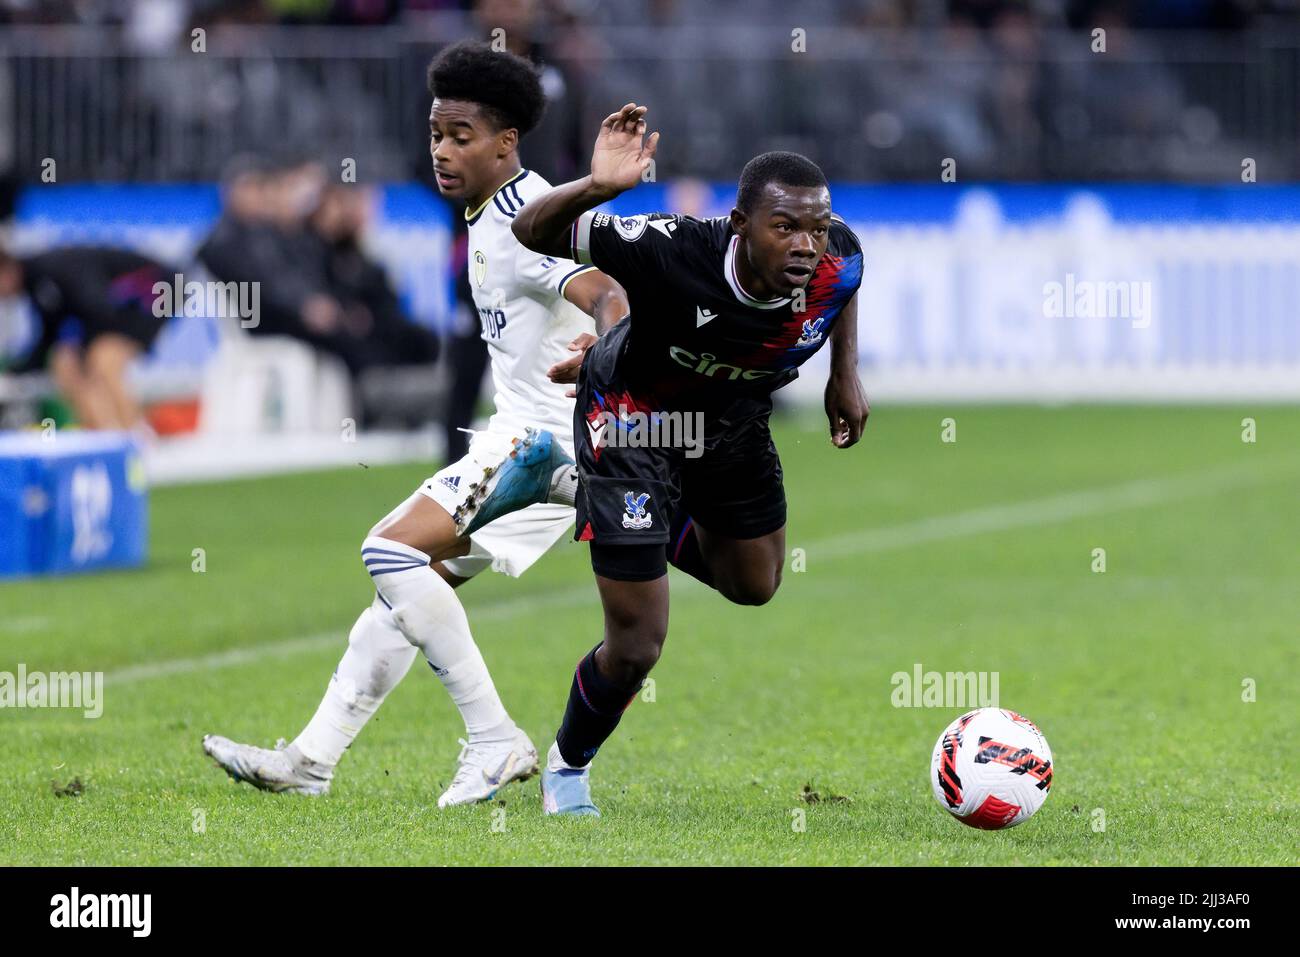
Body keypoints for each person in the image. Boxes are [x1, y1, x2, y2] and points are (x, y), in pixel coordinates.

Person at [201, 41, 629, 807]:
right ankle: (311, 759)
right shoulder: (494, 211)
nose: (442, 150)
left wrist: (608, 341)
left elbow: (604, 292)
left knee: (387, 550)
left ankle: (495, 736)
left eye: (461, 136)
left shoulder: (521, 224)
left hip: (540, 443)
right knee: (407, 591)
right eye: (436, 133)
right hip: (548, 440)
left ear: (505, 143)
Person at [511, 105, 869, 815]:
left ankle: (588, 496)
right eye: (785, 227)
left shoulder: (838, 257)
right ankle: (567, 768)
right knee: (639, 643)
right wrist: (596, 185)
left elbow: (847, 283)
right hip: (633, 421)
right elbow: (532, 233)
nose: (807, 244)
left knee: (755, 582)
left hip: (730, 420)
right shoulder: (671, 247)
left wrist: (843, 374)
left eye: (815, 227)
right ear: (740, 225)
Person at [0, 244, 172, 430]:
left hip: (158, 289)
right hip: (120, 308)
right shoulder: (37, 284)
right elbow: (49, 338)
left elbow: (100, 310)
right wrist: (17, 371)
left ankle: (135, 435)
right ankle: (104, 434)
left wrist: (80, 350)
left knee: (104, 359)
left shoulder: (56, 269)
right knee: (66, 364)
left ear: (7, 270)